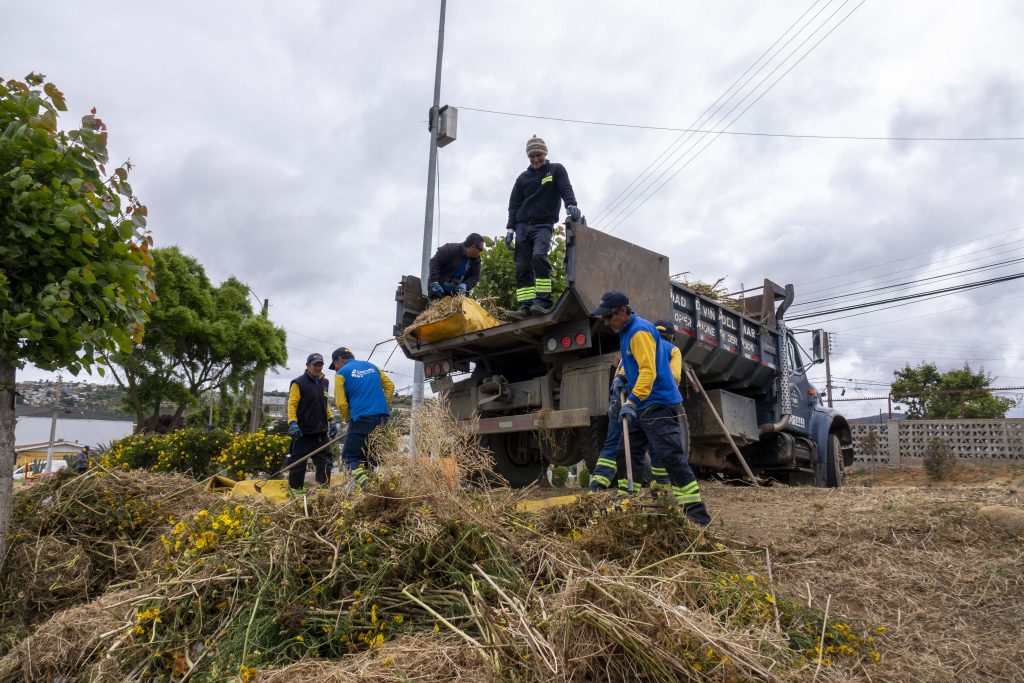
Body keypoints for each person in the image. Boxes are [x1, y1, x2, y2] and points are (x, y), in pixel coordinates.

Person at [589, 291, 712, 526]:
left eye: (608, 317)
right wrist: (621, 379)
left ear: (623, 312)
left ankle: (696, 516)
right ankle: (628, 504)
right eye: (603, 318)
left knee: (671, 457)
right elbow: (631, 364)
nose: (606, 322)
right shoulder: (626, 332)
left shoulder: (639, 332)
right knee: (627, 454)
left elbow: (648, 371)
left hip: (657, 404)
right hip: (643, 403)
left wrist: (632, 401)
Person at [505, 135, 581, 318]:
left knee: (539, 257)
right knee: (522, 267)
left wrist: (571, 204)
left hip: (543, 225)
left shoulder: (555, 170)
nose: (535, 159)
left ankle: (542, 302)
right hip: (522, 226)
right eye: (532, 156)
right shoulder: (522, 178)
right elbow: (514, 205)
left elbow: (565, 188)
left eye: (538, 155)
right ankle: (525, 307)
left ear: (545, 153)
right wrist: (510, 229)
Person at [330, 346, 394, 489]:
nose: (335, 369)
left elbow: (340, 403)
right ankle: (369, 494)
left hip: (361, 418)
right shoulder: (373, 367)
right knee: (370, 456)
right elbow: (390, 385)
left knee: (349, 457)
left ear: (339, 359)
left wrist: (348, 419)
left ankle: (365, 484)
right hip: (382, 418)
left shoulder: (340, 374)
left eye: (334, 366)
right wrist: (382, 405)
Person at [286, 353, 338, 489]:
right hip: (303, 434)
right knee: (298, 466)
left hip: (320, 433)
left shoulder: (324, 382)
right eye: (314, 365)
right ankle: (297, 495)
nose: (317, 367)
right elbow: (292, 405)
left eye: (320, 365)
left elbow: (324, 403)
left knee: (326, 464)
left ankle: (322, 494)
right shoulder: (298, 383)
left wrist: (331, 420)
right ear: (308, 366)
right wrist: (292, 423)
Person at [646, 320, 684, 492]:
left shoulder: (646, 346)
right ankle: (669, 488)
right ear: (671, 336)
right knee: (668, 445)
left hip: (644, 401)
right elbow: (675, 376)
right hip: (665, 402)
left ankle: (659, 487)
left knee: (652, 445)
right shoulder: (672, 349)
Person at [428, 233, 485, 300]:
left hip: (457, 294)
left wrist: (466, 285)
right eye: (479, 250)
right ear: (473, 247)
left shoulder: (476, 261)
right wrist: (434, 281)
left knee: (456, 309)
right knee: (438, 306)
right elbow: (435, 262)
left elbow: (475, 276)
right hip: (439, 287)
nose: (479, 253)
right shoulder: (450, 249)